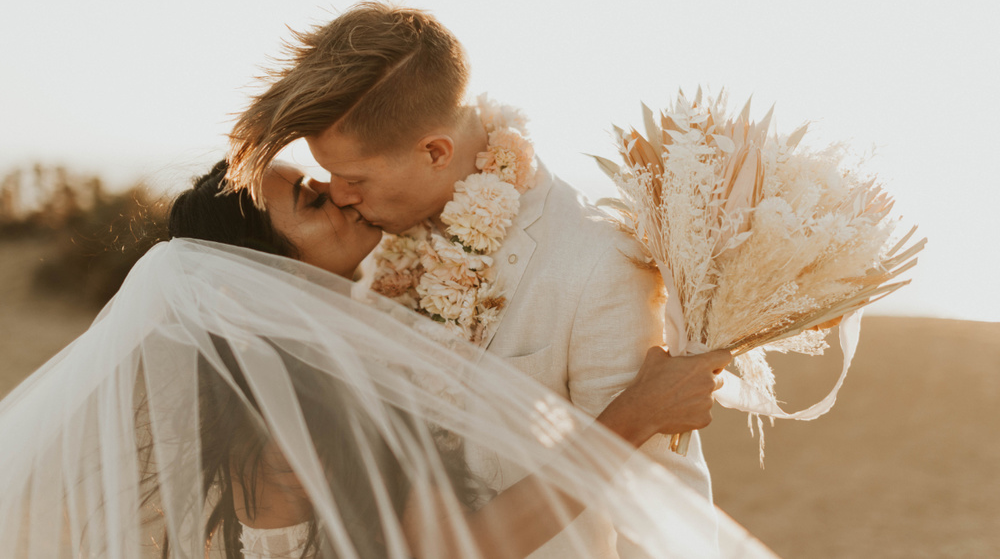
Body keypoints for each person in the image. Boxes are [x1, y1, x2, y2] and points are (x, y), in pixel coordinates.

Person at [0, 161, 771, 559]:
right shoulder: (303, 405)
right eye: (309, 198)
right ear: (263, 267)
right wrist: (636, 415)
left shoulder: (271, 380)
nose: (338, 192)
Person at [224, 1, 729, 557]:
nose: (338, 195)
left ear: (435, 151)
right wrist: (634, 415)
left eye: (353, 177)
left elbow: (657, 505)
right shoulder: (353, 259)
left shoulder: (596, 258)